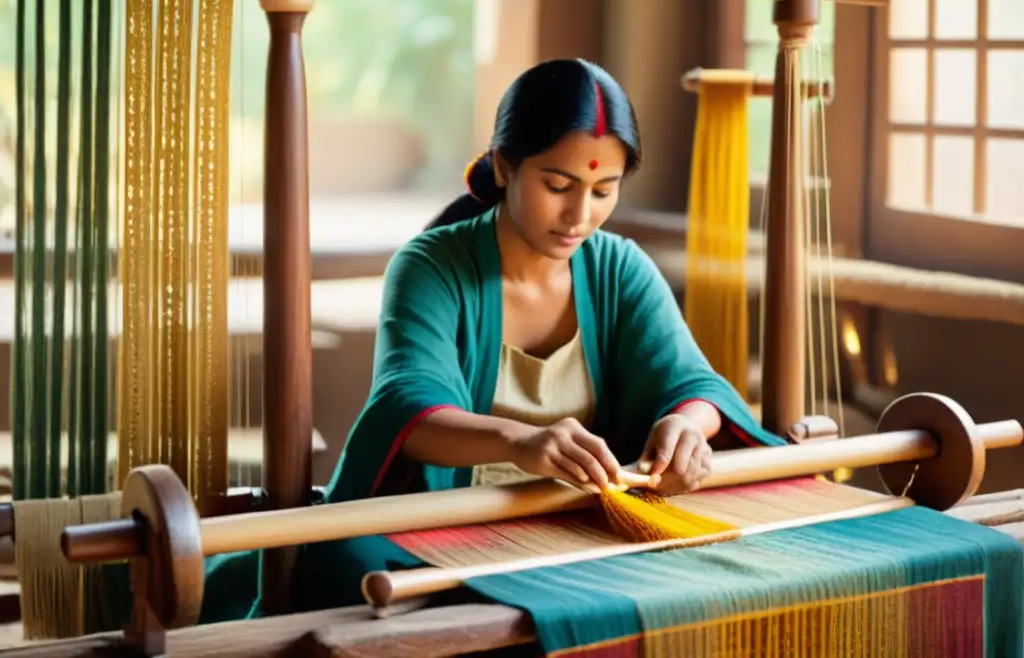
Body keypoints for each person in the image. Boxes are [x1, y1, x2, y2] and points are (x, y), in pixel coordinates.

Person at [200, 58, 783, 622]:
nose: (580, 213)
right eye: (559, 184)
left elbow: (691, 383)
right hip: (445, 524)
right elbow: (409, 407)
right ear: (505, 166)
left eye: (604, 190)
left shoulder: (620, 269)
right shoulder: (430, 266)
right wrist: (521, 442)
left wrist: (687, 425)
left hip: (583, 517)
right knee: (341, 570)